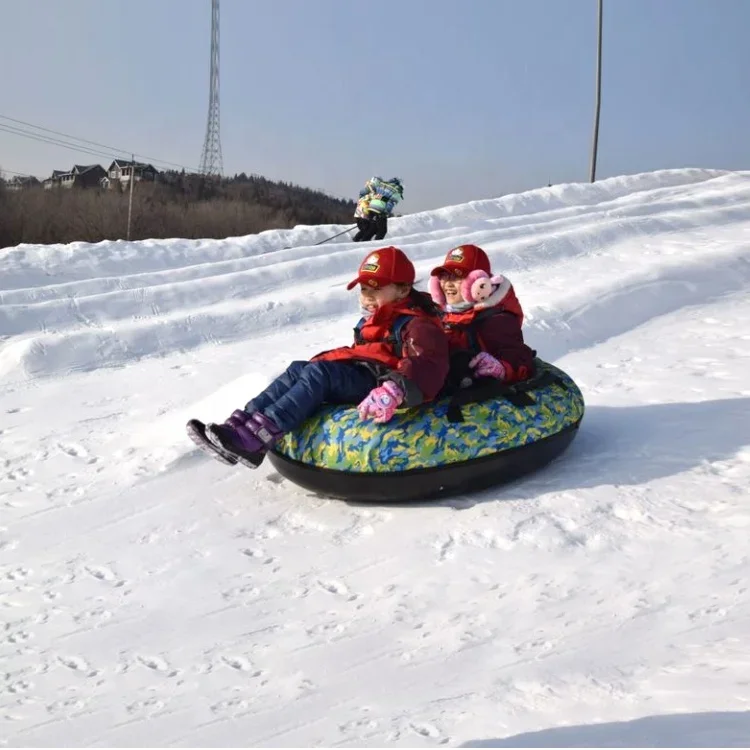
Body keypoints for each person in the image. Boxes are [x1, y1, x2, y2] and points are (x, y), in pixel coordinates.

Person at [187, 246, 449, 469]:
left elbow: (428, 363)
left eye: (375, 289)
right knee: (298, 368)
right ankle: (239, 427)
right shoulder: (375, 319)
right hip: (367, 373)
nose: (367, 296)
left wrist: (395, 389)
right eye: (363, 289)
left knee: (319, 373)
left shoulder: (416, 324)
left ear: (402, 291)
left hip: (381, 384)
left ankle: (259, 436)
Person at [428, 244, 536, 392]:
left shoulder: (496, 319)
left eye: (458, 276)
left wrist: (501, 368)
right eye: (444, 276)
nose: (448, 284)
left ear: (478, 283)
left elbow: (518, 358)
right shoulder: (440, 314)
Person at [352, 177, 404, 242]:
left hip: (371, 207)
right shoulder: (397, 191)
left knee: (373, 228)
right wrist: (385, 212)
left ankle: (363, 241)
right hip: (379, 209)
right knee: (382, 230)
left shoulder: (382, 185)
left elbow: (382, 197)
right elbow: (391, 202)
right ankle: (375, 244)